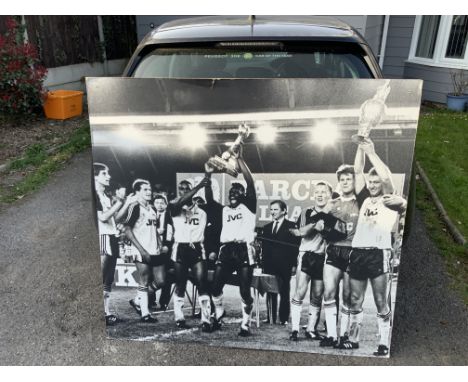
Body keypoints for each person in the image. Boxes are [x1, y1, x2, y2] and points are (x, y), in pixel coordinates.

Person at [346, 139, 406, 356]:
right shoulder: (363, 199)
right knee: (355, 299)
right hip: (358, 252)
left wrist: (371, 151)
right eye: (370, 182)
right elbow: (357, 169)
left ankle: (383, 343)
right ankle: (353, 339)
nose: (372, 185)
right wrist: (361, 146)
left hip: (378, 253)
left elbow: (387, 176)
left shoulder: (389, 199)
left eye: (375, 182)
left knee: (381, 301)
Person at [319, 152, 370, 348]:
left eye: (349, 178)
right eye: (343, 179)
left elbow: (359, 168)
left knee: (349, 297)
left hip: (354, 252)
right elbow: (320, 226)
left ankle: (347, 337)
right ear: (339, 182)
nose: (346, 181)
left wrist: (361, 143)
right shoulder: (333, 204)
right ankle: (332, 335)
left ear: (354, 181)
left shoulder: (362, 200)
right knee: (329, 293)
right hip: (334, 252)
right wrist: (325, 227)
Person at [210, 149, 257, 337]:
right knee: (215, 287)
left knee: (245, 290)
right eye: (231, 190)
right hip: (226, 249)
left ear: (244, 194)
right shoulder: (225, 210)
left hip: (244, 249)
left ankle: (245, 324)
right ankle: (219, 311)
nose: (233, 192)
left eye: (237, 190)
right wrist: (210, 172)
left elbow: (250, 182)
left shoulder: (249, 206)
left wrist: (239, 160)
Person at [288, 181, 333, 341]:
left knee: (317, 295)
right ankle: (294, 330)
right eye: (318, 191)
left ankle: (311, 329)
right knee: (300, 291)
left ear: (329, 195)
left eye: (324, 191)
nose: (320, 194)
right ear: (314, 194)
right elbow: (300, 232)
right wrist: (315, 224)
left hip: (324, 258)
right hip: (306, 255)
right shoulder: (306, 211)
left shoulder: (333, 214)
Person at [169, 176, 212, 331]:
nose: (184, 192)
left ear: (192, 192)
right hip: (180, 248)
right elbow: (180, 202)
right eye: (181, 189)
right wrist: (199, 185)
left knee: (202, 283)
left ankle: (206, 319)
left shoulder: (202, 212)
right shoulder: (174, 208)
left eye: (187, 189)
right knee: (180, 284)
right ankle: (179, 317)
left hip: (197, 248)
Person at [122, 179, 166, 323]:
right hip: (141, 249)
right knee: (145, 280)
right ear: (137, 192)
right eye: (145, 189)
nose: (149, 192)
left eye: (150, 189)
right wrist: (141, 250)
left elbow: (154, 229)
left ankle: (136, 301)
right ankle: (145, 313)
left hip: (154, 249)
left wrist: (160, 243)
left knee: (160, 281)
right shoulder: (135, 207)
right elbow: (127, 230)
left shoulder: (152, 208)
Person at [93, 163, 126, 326]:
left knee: (108, 279)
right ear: (95, 176)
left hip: (112, 236)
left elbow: (114, 218)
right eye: (105, 173)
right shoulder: (95, 195)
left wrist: (126, 203)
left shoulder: (104, 195)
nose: (109, 176)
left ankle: (106, 313)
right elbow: (104, 217)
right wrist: (120, 202)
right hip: (104, 237)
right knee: (101, 276)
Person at [261, 200, 299, 325]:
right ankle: (270, 317)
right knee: (270, 291)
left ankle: (283, 319)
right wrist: (263, 265)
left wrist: (294, 264)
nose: (272, 212)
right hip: (269, 265)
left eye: (275, 209)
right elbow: (265, 249)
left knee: (284, 291)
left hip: (285, 265)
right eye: (271, 209)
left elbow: (295, 247)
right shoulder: (266, 228)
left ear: (284, 211)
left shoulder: (291, 227)